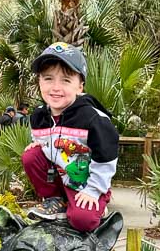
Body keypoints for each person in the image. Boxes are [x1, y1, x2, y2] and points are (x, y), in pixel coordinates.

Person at [22, 42, 119, 232]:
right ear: (39, 82)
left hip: (87, 181)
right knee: (30, 155)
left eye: (66, 80)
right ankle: (55, 200)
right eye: (48, 78)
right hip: (61, 177)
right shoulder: (39, 116)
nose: (55, 87)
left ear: (80, 86)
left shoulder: (93, 119)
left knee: (83, 222)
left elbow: (106, 158)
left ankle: (97, 205)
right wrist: (38, 145)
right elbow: (45, 143)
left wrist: (93, 190)